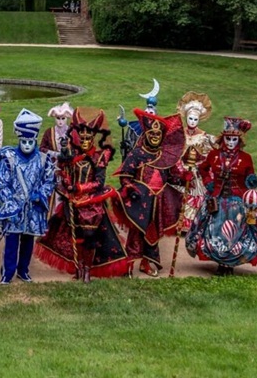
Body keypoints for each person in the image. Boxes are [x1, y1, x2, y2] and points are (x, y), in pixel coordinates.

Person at [34, 108, 128, 282]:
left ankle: (87, 270)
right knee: (75, 234)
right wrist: (67, 183)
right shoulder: (72, 153)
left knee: (90, 237)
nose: (84, 142)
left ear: (93, 138)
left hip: (92, 203)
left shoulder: (100, 156)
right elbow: (63, 172)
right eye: (82, 138)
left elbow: (99, 182)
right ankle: (78, 267)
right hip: (72, 201)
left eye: (88, 139)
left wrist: (80, 187)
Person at [186, 117, 257, 275]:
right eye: (228, 139)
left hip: (237, 203)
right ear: (223, 139)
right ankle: (220, 262)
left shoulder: (246, 158)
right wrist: (208, 183)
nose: (231, 142)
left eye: (234, 139)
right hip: (216, 200)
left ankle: (230, 264)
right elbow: (203, 169)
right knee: (214, 230)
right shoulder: (214, 154)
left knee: (236, 233)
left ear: (239, 140)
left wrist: (251, 181)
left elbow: (250, 176)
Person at [114, 109, 185, 277]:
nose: (155, 137)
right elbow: (125, 175)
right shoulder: (137, 153)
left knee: (153, 232)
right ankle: (129, 264)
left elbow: (172, 178)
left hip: (159, 200)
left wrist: (184, 177)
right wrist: (129, 187)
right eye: (151, 133)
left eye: (158, 134)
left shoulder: (165, 156)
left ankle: (145, 263)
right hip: (140, 200)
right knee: (136, 232)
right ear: (146, 134)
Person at [0, 109, 55, 284]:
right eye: (24, 141)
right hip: (14, 209)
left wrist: (40, 194)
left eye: (30, 141)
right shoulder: (9, 158)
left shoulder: (43, 159)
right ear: (19, 140)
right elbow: (2, 184)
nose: (27, 145)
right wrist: (11, 202)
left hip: (33, 209)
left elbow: (49, 181)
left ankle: (23, 270)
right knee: (12, 241)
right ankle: (8, 273)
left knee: (28, 241)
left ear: (35, 140)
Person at [175, 92, 216, 234]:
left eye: (195, 119)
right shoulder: (180, 134)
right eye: (190, 119)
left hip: (196, 171)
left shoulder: (204, 137)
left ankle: (193, 224)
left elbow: (208, 155)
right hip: (180, 169)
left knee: (195, 195)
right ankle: (177, 223)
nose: (192, 122)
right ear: (186, 118)